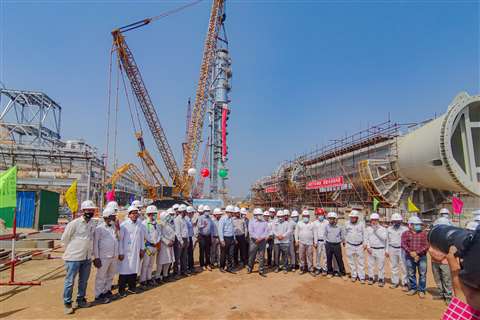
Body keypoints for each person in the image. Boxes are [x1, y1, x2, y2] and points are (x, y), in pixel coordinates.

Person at [61, 200, 97, 314]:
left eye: (92, 210)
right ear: (83, 211)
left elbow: (91, 239)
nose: (90, 212)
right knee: (70, 281)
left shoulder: (92, 224)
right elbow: (65, 239)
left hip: (86, 258)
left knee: (84, 281)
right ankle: (67, 303)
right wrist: (73, 250)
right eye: (88, 210)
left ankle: (80, 299)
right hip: (73, 258)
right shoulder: (74, 223)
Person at [118, 205, 146, 297]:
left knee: (134, 269)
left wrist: (142, 249)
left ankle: (132, 287)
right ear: (129, 215)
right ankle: (121, 289)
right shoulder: (124, 225)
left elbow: (142, 238)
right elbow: (120, 240)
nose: (134, 215)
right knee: (124, 271)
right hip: (126, 252)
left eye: (136, 213)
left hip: (136, 251)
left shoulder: (140, 224)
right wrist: (121, 252)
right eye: (132, 213)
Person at [93, 206, 119, 305]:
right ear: (106, 217)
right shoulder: (99, 229)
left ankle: (107, 290)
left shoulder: (113, 227)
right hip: (103, 257)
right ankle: (98, 295)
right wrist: (96, 257)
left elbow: (117, 239)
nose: (114, 219)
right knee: (101, 276)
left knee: (110, 275)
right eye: (112, 217)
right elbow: (95, 244)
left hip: (113, 256)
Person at [401, 215, 429, 299]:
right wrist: (411, 252)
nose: (418, 226)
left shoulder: (424, 234)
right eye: (416, 224)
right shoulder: (405, 233)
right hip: (409, 257)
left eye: (419, 224)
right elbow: (403, 244)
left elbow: (427, 245)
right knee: (411, 273)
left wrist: (416, 253)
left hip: (422, 257)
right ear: (410, 225)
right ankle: (413, 288)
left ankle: (421, 290)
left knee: (422, 274)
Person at [429, 216, 453, 303]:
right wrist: (435, 256)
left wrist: (442, 257)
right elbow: (429, 247)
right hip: (434, 260)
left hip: (445, 262)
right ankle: (441, 294)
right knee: (437, 278)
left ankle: (448, 297)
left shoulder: (450, 237)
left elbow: (451, 249)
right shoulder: (432, 236)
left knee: (446, 279)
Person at [386, 213, 409, 290]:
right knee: (393, 266)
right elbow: (387, 240)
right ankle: (394, 282)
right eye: (395, 221)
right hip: (392, 249)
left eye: (398, 221)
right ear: (392, 221)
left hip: (402, 249)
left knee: (404, 266)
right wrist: (387, 250)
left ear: (401, 221)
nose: (396, 223)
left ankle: (405, 283)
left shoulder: (405, 229)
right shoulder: (389, 229)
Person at [140, 205, 161, 288]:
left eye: (154, 214)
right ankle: (142, 280)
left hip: (155, 246)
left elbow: (159, 233)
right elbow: (145, 235)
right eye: (151, 214)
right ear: (148, 214)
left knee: (151, 264)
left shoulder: (157, 223)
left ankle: (148, 278)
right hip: (148, 246)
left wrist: (157, 241)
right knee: (145, 264)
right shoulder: (144, 223)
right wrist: (152, 242)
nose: (153, 215)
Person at [365, 213, 387, 287]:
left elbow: (384, 238)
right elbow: (366, 239)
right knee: (370, 265)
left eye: (375, 220)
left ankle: (381, 279)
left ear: (378, 220)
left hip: (380, 249)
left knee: (381, 266)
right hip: (371, 249)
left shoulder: (383, 229)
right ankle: (371, 278)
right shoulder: (368, 229)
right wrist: (368, 247)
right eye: (372, 220)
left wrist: (376, 230)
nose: (373, 221)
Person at [344, 210, 366, 283]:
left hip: (359, 246)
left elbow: (364, 234)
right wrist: (345, 241)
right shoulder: (347, 224)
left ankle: (361, 277)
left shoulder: (361, 224)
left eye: (354, 217)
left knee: (361, 262)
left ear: (357, 218)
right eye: (351, 217)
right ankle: (353, 275)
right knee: (351, 261)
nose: (352, 219)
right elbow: (345, 233)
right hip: (350, 245)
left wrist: (365, 243)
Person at [324, 211, 347, 280]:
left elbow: (342, 235)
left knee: (339, 259)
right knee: (329, 259)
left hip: (337, 245)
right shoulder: (327, 226)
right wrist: (325, 243)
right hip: (328, 244)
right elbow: (325, 235)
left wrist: (343, 241)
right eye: (330, 218)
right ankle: (330, 272)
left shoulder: (339, 227)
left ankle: (343, 273)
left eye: (332, 218)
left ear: (335, 219)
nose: (331, 220)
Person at [247, 208, 269, 277]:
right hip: (254, 241)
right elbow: (250, 231)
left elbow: (266, 232)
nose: (259, 216)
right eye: (258, 214)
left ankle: (261, 270)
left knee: (261, 256)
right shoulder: (251, 222)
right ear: (255, 215)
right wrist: (257, 238)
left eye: (260, 214)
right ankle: (250, 268)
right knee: (252, 255)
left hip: (262, 241)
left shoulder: (264, 222)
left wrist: (260, 238)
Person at [295, 210, 317, 275]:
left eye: (307, 216)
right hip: (301, 242)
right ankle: (302, 268)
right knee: (301, 256)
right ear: (302, 216)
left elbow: (315, 233)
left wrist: (315, 242)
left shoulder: (312, 224)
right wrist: (296, 240)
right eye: (304, 216)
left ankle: (310, 269)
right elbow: (296, 232)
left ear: (309, 216)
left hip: (310, 243)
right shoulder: (299, 223)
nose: (305, 217)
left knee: (310, 256)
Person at [156, 211, 176, 283]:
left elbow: (174, 232)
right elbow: (160, 235)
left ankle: (165, 275)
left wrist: (172, 241)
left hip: (170, 245)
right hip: (163, 245)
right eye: (167, 216)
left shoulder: (170, 223)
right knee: (161, 262)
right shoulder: (159, 224)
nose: (169, 217)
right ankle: (157, 277)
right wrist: (167, 242)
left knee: (168, 261)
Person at [218, 205, 236, 273]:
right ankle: (221, 267)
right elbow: (220, 230)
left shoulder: (231, 219)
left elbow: (232, 229)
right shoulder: (222, 219)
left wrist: (234, 238)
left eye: (232, 212)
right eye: (231, 212)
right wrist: (222, 240)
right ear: (227, 212)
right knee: (224, 253)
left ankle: (229, 267)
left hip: (231, 238)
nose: (232, 214)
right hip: (225, 238)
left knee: (230, 254)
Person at [174, 204, 189, 277]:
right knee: (178, 257)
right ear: (181, 212)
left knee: (184, 256)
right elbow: (177, 232)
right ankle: (176, 272)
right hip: (180, 240)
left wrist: (187, 240)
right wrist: (181, 241)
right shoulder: (177, 220)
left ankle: (184, 271)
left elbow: (186, 231)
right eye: (185, 211)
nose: (186, 213)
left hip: (185, 239)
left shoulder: (184, 219)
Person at [197, 205, 213, 271]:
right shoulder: (200, 217)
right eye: (206, 211)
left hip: (208, 236)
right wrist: (203, 225)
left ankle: (208, 264)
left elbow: (211, 228)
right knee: (202, 251)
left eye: (208, 211)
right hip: (202, 236)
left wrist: (211, 237)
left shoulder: (210, 218)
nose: (207, 212)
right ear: (204, 211)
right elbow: (198, 226)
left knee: (208, 251)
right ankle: (202, 265)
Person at [313, 208, 328, 276]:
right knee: (318, 255)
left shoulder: (327, 222)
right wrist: (315, 242)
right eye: (319, 214)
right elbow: (314, 233)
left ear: (323, 215)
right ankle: (318, 268)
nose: (320, 216)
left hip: (325, 242)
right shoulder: (315, 223)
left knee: (325, 256)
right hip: (318, 242)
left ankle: (325, 268)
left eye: (321, 214)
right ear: (317, 215)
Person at [186, 206, 195, 274]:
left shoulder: (190, 219)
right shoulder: (186, 220)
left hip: (190, 238)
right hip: (187, 239)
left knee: (191, 253)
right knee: (188, 254)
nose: (193, 214)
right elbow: (186, 231)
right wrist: (188, 240)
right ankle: (188, 268)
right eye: (192, 213)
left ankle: (191, 267)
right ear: (189, 213)